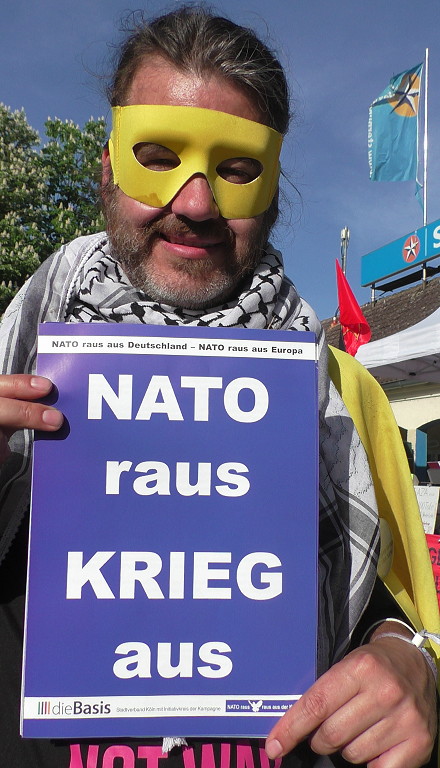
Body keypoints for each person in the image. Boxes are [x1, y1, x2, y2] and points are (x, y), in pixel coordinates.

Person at [0, 6, 437, 768]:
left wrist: (414, 664)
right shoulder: (18, 361)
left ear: (272, 194)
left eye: (236, 168)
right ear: (107, 170)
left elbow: (399, 616)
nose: (195, 203)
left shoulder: (343, 393)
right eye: (157, 157)